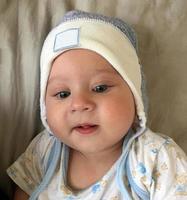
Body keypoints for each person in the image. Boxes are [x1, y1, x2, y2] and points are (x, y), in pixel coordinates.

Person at [7, 10, 187, 200]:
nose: (79, 104)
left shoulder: (156, 157)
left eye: (100, 88)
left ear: (135, 94)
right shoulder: (44, 150)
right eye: (63, 94)